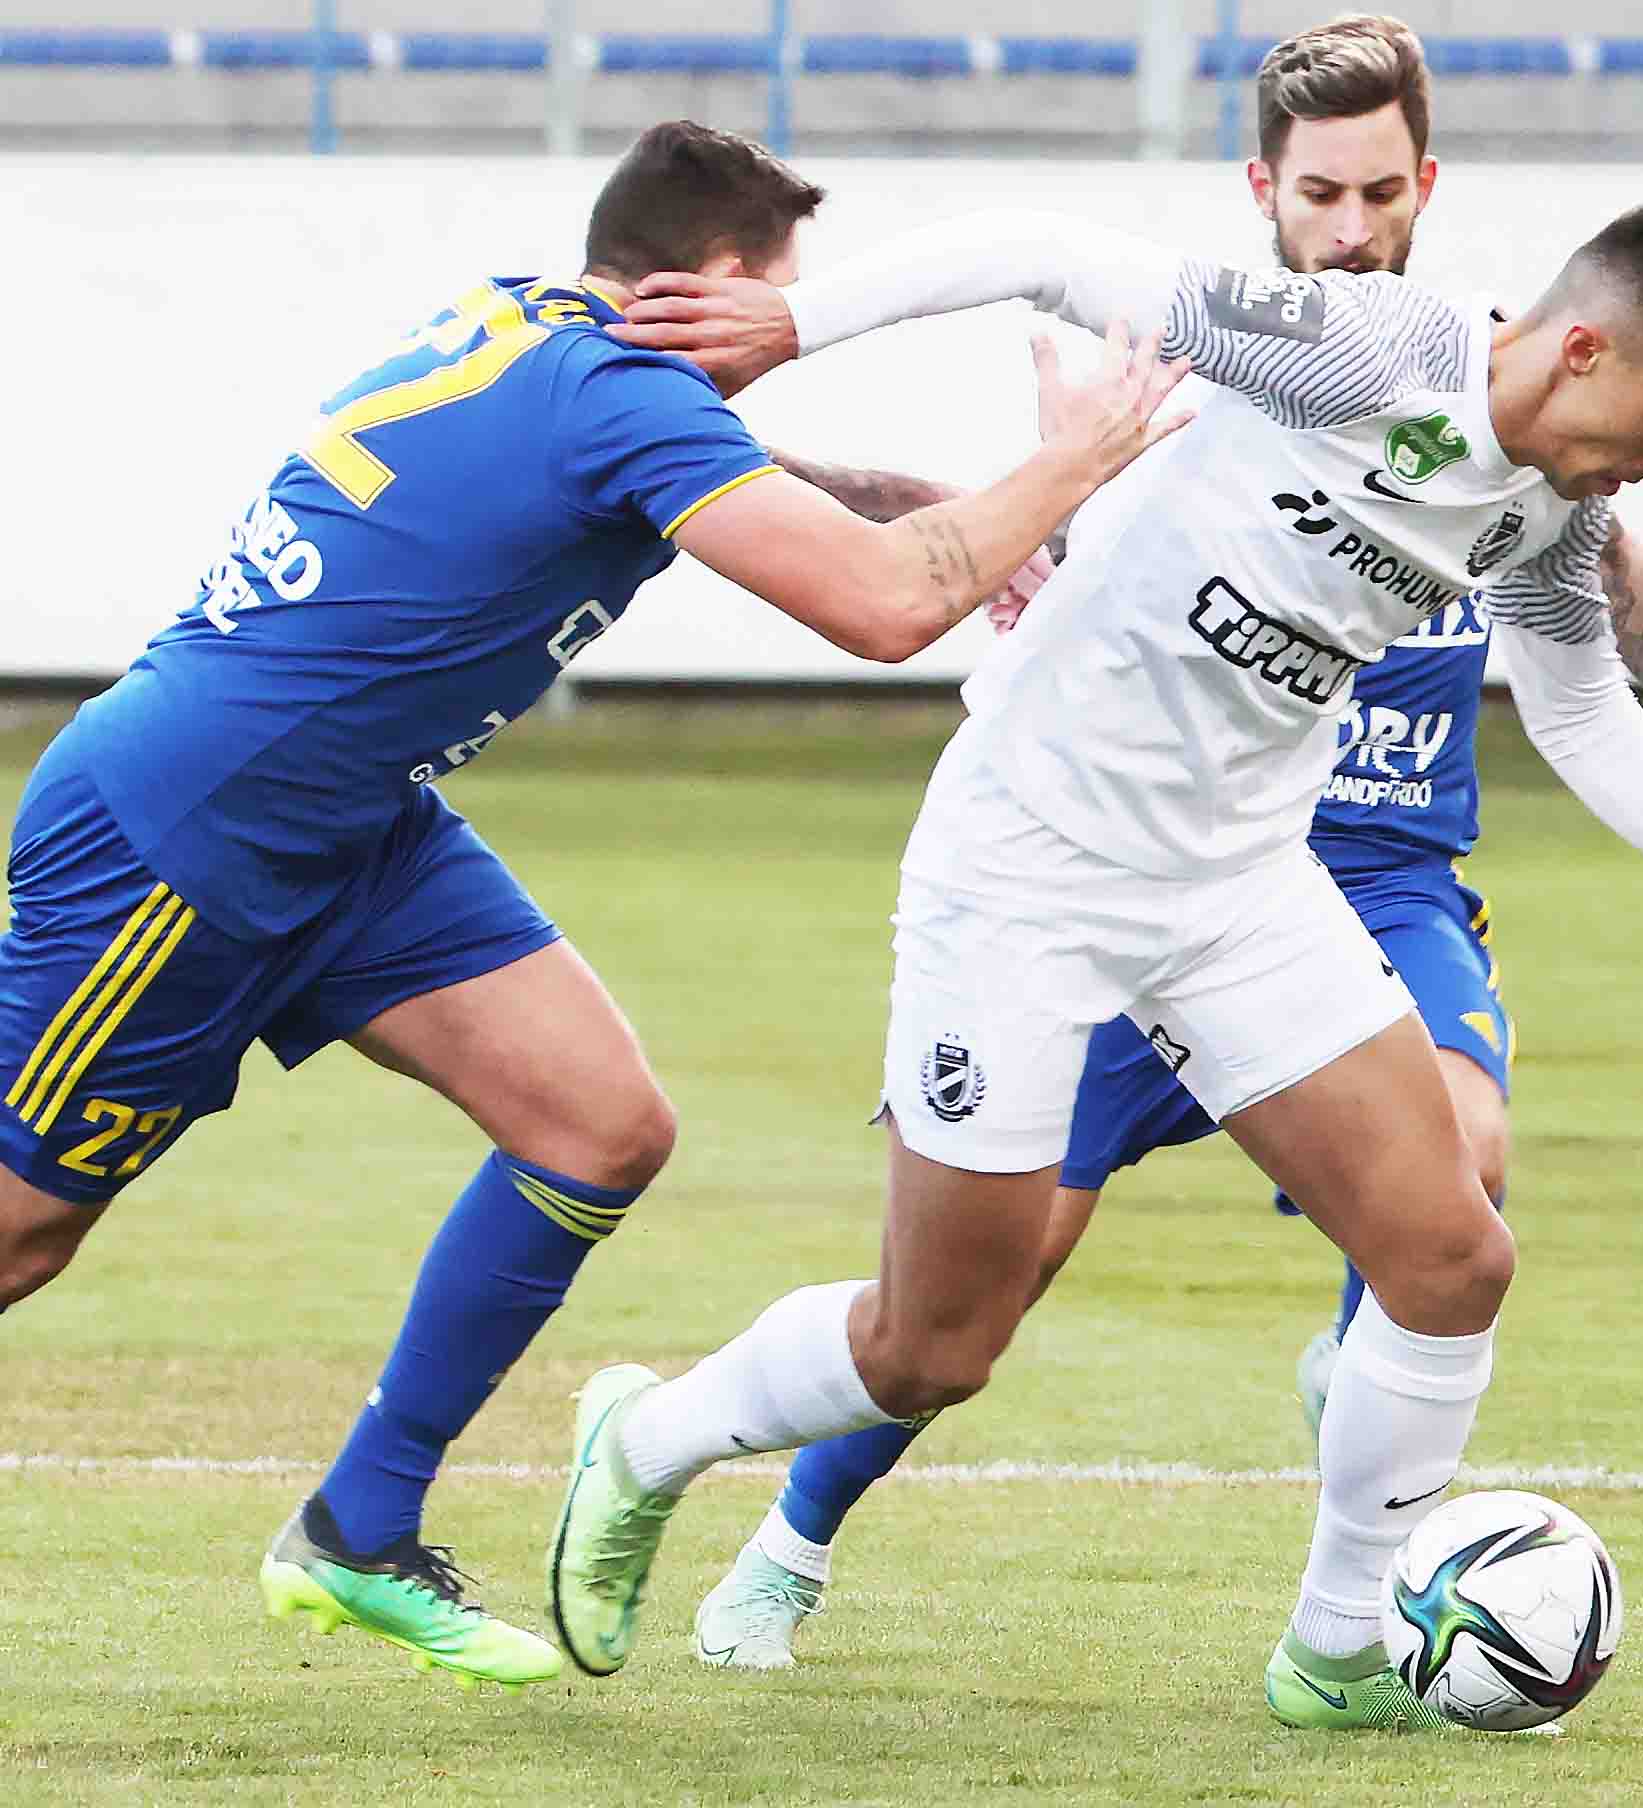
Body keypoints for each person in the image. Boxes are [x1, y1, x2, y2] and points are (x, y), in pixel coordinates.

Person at [549, 175, 1643, 1729]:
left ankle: (1336, 1649)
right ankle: (647, 1442)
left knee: (1451, 1258)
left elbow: (1577, 708)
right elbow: (1038, 251)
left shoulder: (1555, 509)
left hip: (1239, 883)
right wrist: (792, 321)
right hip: (1029, 860)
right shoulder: (1366, 354)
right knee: (933, 1347)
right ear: (1583, 349)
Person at [0, 119, 1185, 1691]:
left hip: (352, 828)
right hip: (190, 838)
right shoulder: (622, 398)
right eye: (771, 309)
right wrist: (1086, 450)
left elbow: (652, 468)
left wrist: (871, 482)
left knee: (598, 1124)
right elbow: (890, 606)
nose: (777, 345)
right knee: (21, 1235)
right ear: (696, 291)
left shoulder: (526, 322)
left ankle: (358, 1528)